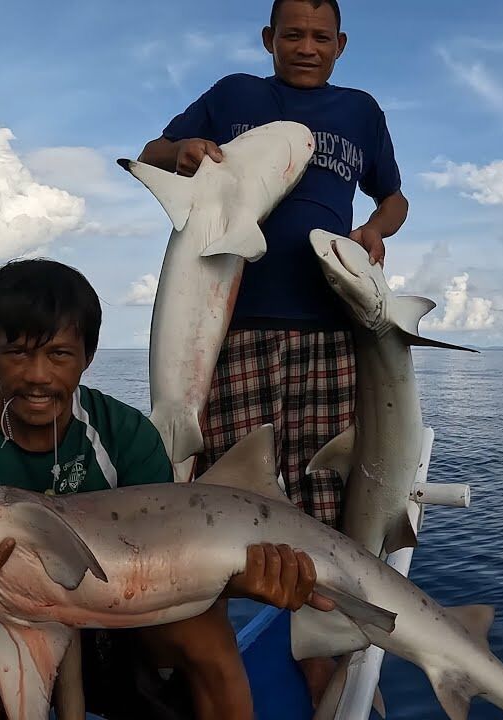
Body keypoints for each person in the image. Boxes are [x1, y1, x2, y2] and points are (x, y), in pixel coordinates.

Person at [0, 258, 332, 720]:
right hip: (7, 599)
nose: (38, 374)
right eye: (17, 352)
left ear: (88, 357)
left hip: (125, 598)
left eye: (58, 354)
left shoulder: (124, 433)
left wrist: (240, 581)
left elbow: (174, 547)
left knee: (206, 632)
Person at [136, 0, 408, 702]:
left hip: (330, 331)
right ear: (269, 38)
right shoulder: (234, 96)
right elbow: (152, 154)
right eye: (293, 34)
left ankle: (323, 663)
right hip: (235, 330)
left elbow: (395, 197)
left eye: (321, 37)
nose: (307, 47)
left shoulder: (360, 111)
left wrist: (375, 230)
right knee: (221, 493)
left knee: (325, 498)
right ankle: (204, 653)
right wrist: (184, 153)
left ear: (342, 44)